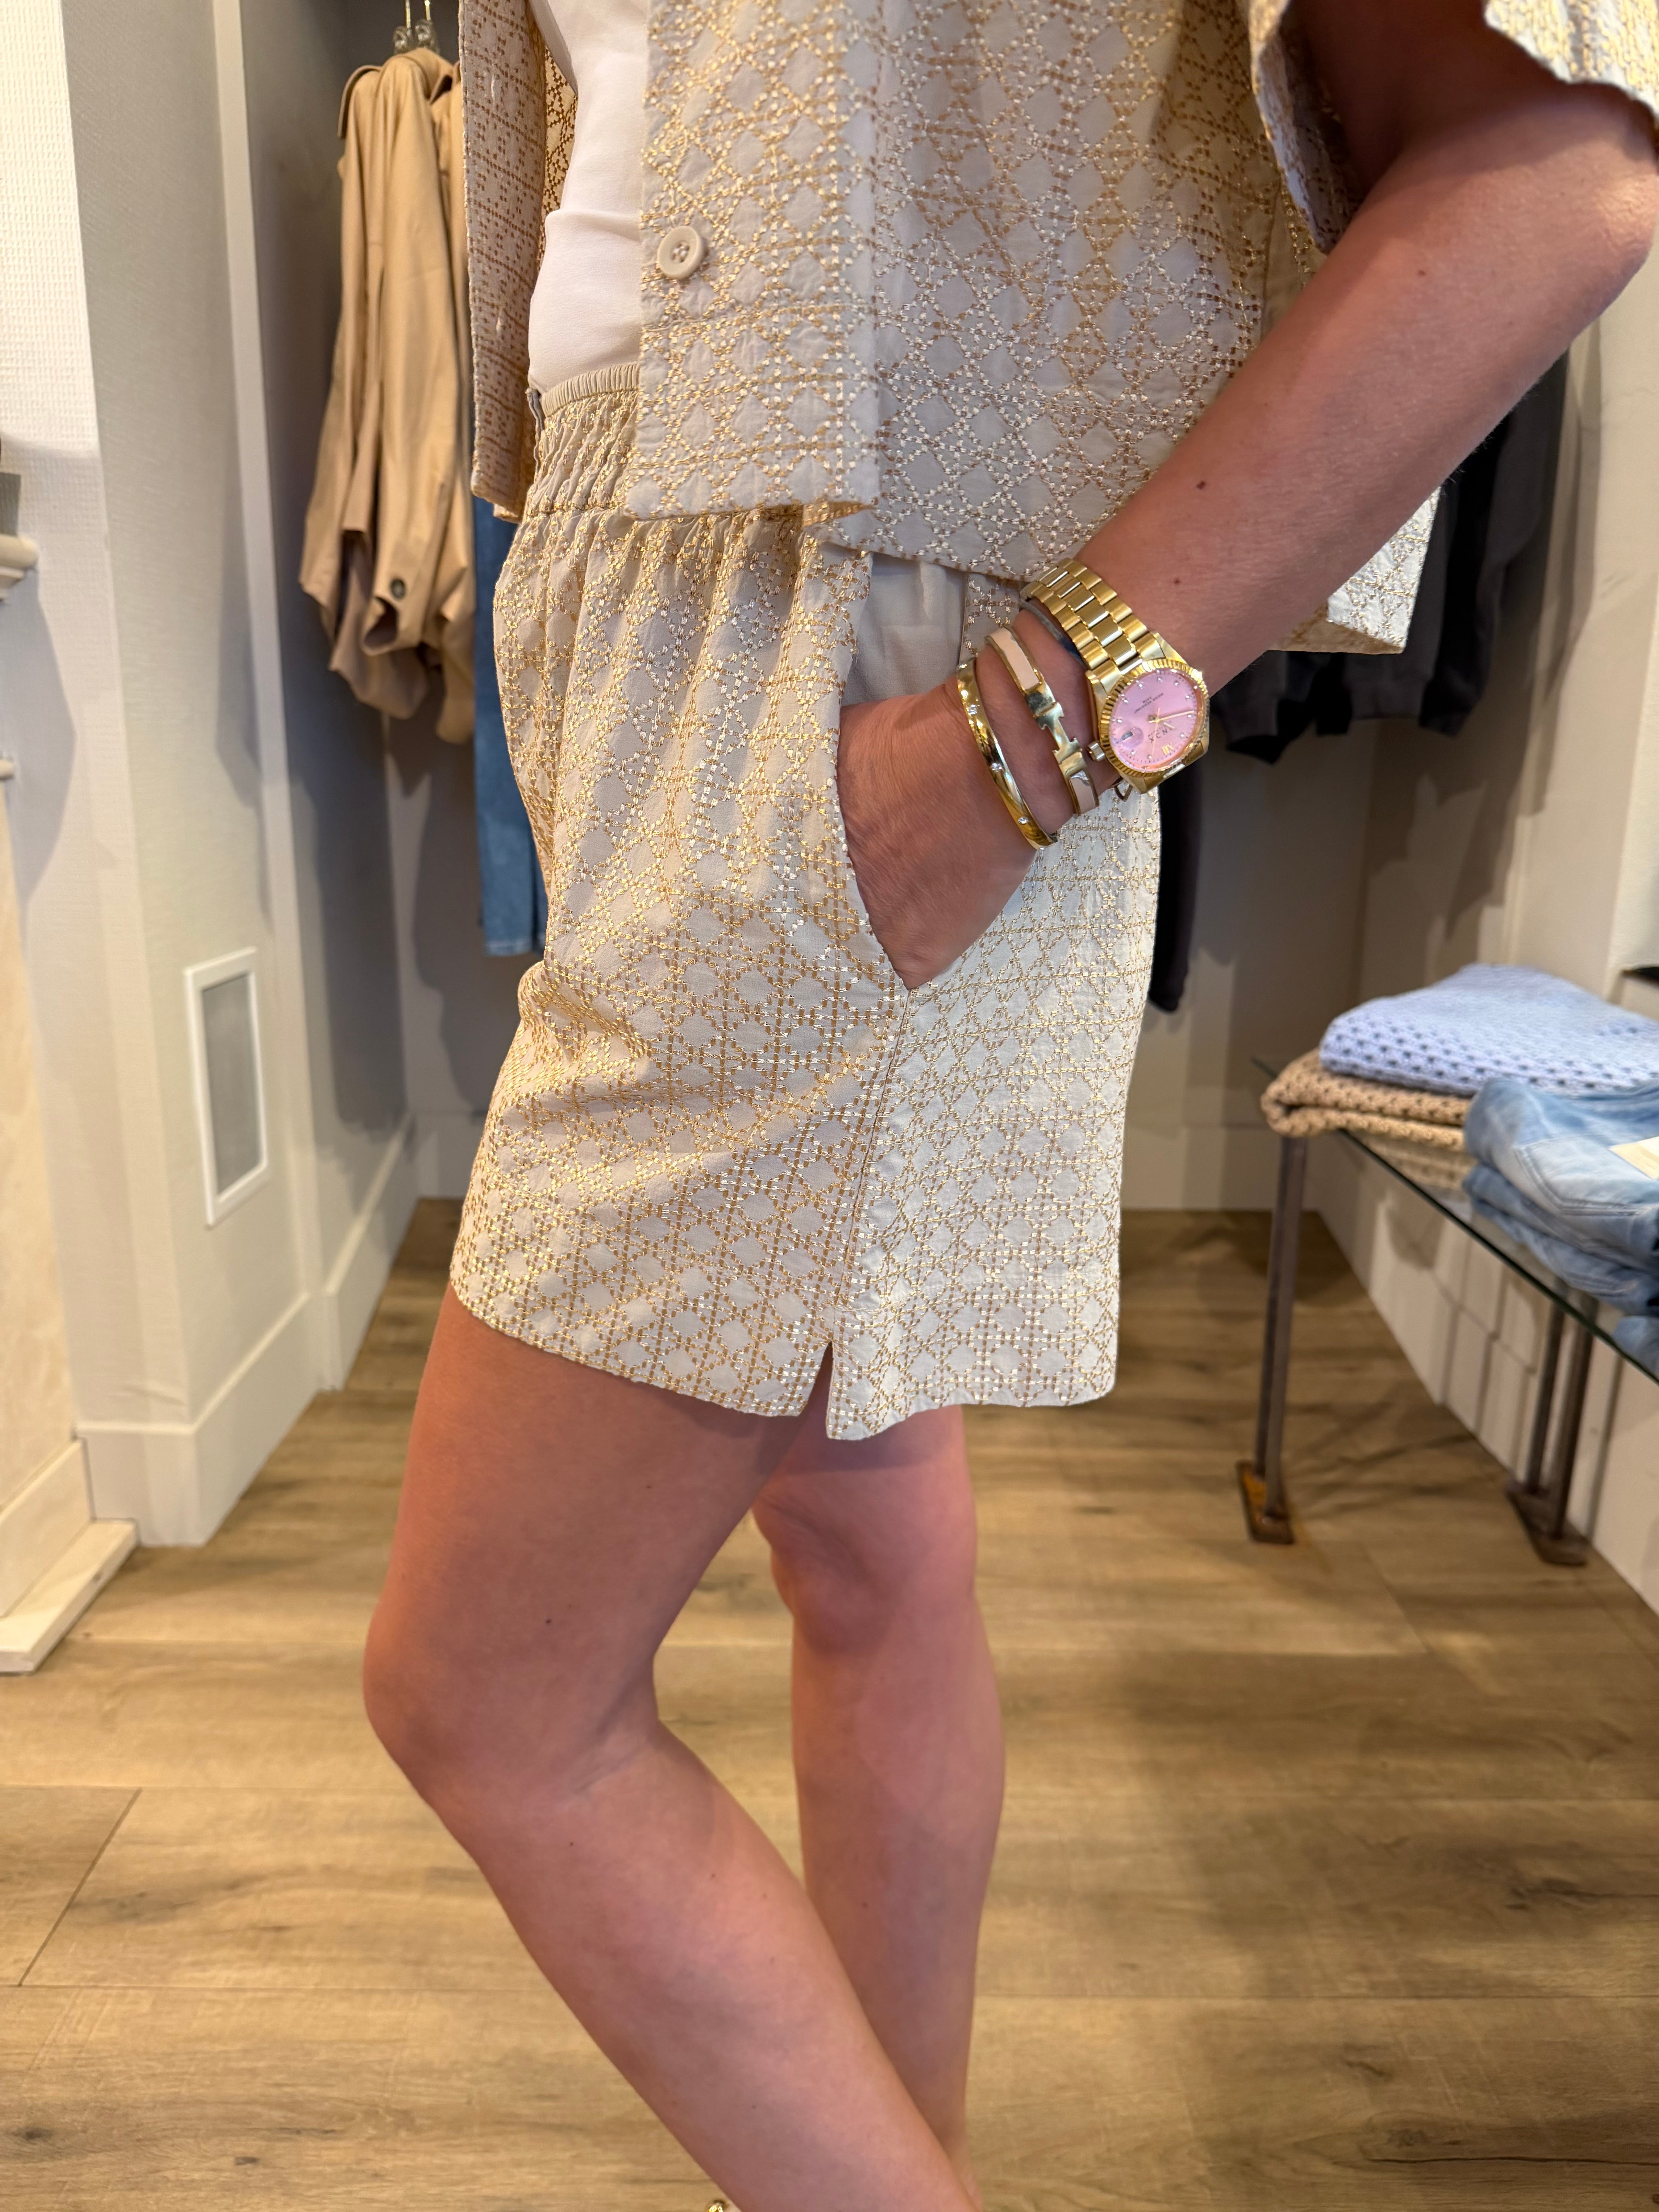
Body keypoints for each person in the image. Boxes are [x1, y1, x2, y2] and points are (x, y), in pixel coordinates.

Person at [364, 4, 1659, 2206]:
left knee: (487, 1698)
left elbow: (1549, 176)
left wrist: (1022, 737)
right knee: (866, 1533)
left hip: (850, 654)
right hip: (661, 594)